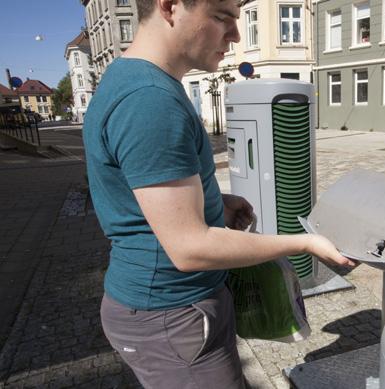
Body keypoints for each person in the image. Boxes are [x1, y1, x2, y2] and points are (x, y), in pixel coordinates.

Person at [82, 0, 355, 388]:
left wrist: (215, 204)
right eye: (221, 17)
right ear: (170, 6)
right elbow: (189, 247)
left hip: (173, 312)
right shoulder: (150, 101)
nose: (236, 35)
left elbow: (137, 196)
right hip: (172, 314)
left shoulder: (140, 83)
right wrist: (304, 242)